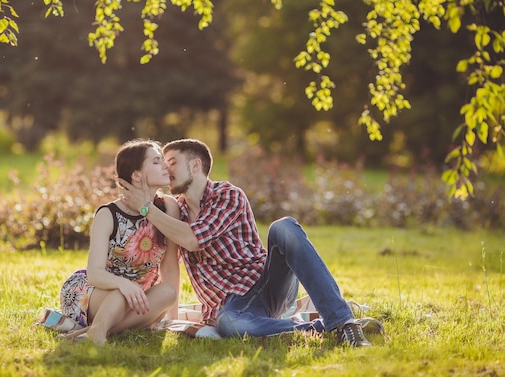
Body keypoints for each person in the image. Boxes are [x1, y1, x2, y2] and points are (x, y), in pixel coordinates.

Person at [120, 138, 381, 347]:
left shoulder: (227, 195)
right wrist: (172, 321)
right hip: (232, 308)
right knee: (231, 326)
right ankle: (324, 328)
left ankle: (345, 323)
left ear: (195, 166)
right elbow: (170, 266)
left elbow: (193, 239)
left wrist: (145, 209)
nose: (167, 170)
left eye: (173, 162)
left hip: (263, 285)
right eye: (163, 164)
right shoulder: (176, 212)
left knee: (284, 227)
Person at [59, 139, 180, 345]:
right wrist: (124, 284)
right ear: (136, 175)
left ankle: (96, 330)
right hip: (95, 291)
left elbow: (169, 265)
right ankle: (98, 330)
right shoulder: (108, 214)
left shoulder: (169, 207)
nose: (165, 166)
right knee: (120, 294)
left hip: (139, 294)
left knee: (168, 292)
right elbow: (95, 274)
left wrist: (173, 321)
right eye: (157, 161)